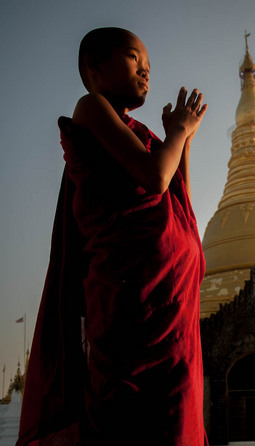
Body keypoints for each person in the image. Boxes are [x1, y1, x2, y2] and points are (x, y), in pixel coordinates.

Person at [17, 27, 208, 446]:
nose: (145, 70)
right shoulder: (91, 108)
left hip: (173, 301)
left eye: (149, 65)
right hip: (131, 298)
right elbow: (155, 177)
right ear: (95, 68)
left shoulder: (144, 137)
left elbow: (179, 205)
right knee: (127, 416)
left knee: (176, 416)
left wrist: (185, 141)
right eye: (133, 57)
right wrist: (175, 134)